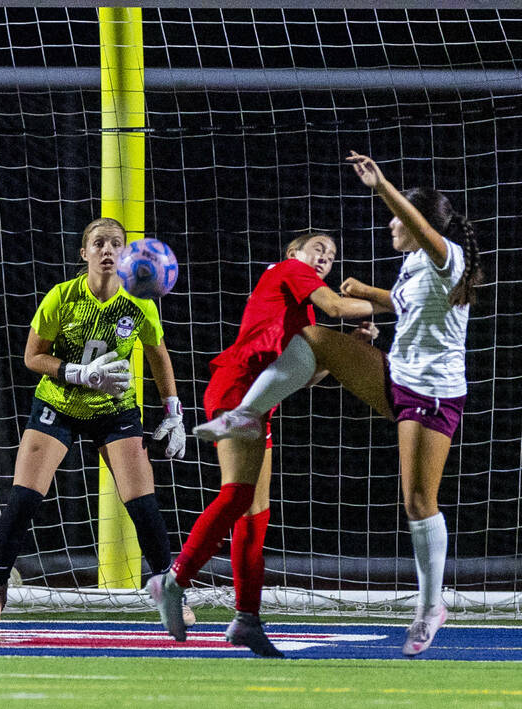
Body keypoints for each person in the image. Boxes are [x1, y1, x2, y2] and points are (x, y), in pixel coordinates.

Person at [175, 152, 483, 657]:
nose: (390, 224)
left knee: (417, 501)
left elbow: (418, 233)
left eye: (398, 216)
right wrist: (372, 295)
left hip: (432, 394)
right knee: (317, 338)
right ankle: (247, 412)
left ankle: (431, 606)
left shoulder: (445, 254)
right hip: (394, 373)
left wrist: (381, 184)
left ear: (415, 218)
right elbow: (399, 304)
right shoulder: (409, 266)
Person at [144, 230, 377, 656]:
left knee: (255, 512)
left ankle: (246, 619)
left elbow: (303, 376)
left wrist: (349, 350)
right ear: (294, 253)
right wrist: (395, 299)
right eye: (318, 249)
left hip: (259, 401)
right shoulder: (290, 271)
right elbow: (340, 307)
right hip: (236, 388)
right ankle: (172, 580)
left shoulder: (300, 312)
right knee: (236, 496)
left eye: (332, 253)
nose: (325, 256)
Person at [0, 217, 191, 628]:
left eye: (115, 244)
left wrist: (174, 413)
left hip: (114, 411)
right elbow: (31, 357)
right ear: (84, 252)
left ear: (125, 254)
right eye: (99, 243)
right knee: (23, 500)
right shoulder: (62, 297)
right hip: (59, 402)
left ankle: (170, 595)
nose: (107, 250)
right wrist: (78, 372)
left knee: (143, 505)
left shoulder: (139, 301)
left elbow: (158, 355)